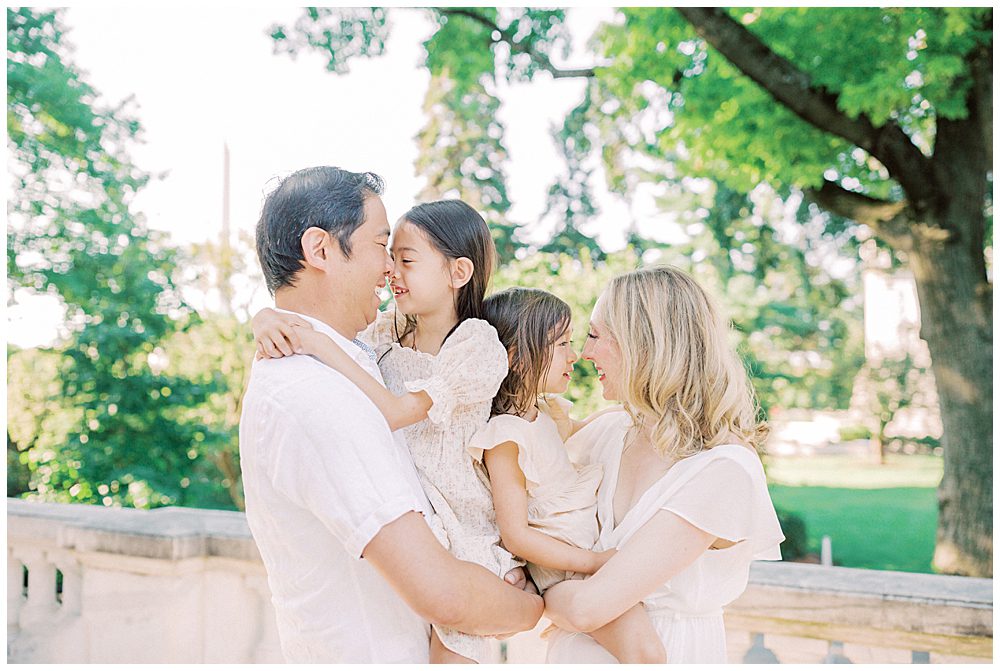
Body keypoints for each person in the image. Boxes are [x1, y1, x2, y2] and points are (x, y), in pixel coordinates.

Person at [239, 167, 542, 664]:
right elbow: (443, 594)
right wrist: (529, 609)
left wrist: (268, 317)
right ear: (320, 251)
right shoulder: (318, 394)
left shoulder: (354, 360)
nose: (390, 270)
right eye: (382, 246)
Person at [542, 265, 785, 663]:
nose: (585, 352)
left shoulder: (724, 470)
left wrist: (539, 590)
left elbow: (588, 608)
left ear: (645, 343)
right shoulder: (610, 430)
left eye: (596, 335)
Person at [468, 287, 667, 663]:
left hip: (585, 556)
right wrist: (591, 563)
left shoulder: (544, 413)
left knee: (640, 651)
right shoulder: (505, 437)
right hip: (568, 570)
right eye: (562, 344)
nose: (576, 355)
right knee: (647, 654)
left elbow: (597, 425)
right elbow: (516, 533)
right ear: (517, 359)